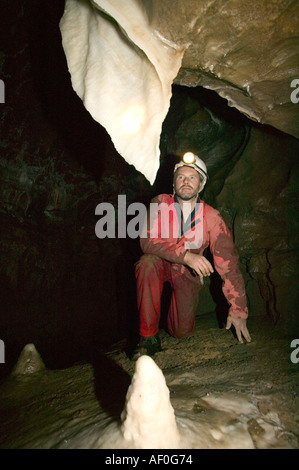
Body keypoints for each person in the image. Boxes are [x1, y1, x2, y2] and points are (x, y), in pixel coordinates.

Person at [133, 153, 251, 358]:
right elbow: (147, 241)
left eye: (192, 177)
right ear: (174, 183)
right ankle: (149, 337)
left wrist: (238, 309)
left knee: (182, 332)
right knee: (147, 263)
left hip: (186, 275)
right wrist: (186, 256)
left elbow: (229, 264)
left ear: (201, 184)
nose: (186, 181)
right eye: (181, 177)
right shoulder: (160, 203)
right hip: (160, 265)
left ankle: (174, 323)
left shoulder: (212, 217)